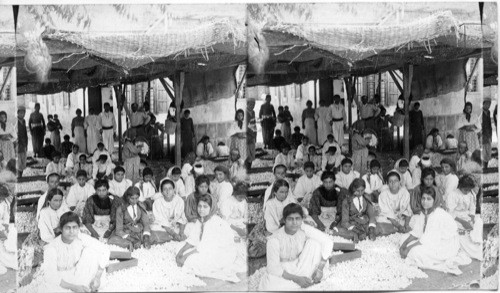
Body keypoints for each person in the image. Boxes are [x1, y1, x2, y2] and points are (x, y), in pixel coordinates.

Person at [258, 203, 334, 290]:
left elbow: (328, 241)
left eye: (297, 219)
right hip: (285, 271)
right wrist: (297, 279)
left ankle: (310, 277)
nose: (294, 222)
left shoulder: (303, 228)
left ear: (302, 219)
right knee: (269, 286)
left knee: (314, 243)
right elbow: (273, 268)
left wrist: (320, 269)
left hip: (301, 264)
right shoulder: (274, 239)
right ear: (284, 220)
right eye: (290, 219)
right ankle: (306, 281)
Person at [176, 194, 242, 282]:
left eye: (205, 207)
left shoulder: (214, 221)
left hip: (222, 252)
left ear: (211, 208)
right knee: (178, 248)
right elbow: (192, 239)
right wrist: (180, 253)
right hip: (205, 248)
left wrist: (185, 256)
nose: (201, 209)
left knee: (191, 261)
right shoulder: (201, 220)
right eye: (199, 206)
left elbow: (205, 247)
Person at [38, 212, 110, 292]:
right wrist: (74, 287)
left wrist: (97, 276)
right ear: (61, 229)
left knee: (90, 252)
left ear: (78, 228)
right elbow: (50, 275)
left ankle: (89, 286)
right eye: (67, 228)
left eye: (74, 227)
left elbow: (104, 250)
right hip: (62, 280)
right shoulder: (52, 248)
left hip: (78, 273)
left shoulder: (80, 238)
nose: (71, 231)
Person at [400, 186, 463, 275]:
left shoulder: (437, 214)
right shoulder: (424, 211)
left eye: (429, 199)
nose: (425, 202)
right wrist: (404, 245)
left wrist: (408, 249)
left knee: (415, 252)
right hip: (430, 238)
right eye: (423, 198)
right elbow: (416, 232)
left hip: (445, 243)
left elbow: (427, 239)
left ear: (434, 200)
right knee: (403, 238)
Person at [446, 175, 482, 260]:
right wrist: (463, 222)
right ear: (460, 186)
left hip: (466, 215)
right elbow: (450, 212)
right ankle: (468, 242)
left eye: (469, 189)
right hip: (455, 217)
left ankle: (475, 240)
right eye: (465, 189)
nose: (467, 191)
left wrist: (472, 218)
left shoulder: (470, 194)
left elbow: (472, 208)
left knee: (479, 221)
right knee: (463, 233)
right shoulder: (453, 194)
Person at [108, 186, 152, 250]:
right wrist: (132, 239)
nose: (134, 201)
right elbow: (119, 230)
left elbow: (146, 223)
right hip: (126, 231)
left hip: (138, 230)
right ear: (127, 197)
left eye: (137, 198)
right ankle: (130, 243)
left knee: (154, 235)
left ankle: (139, 241)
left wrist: (146, 238)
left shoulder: (141, 206)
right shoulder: (121, 209)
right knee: (112, 240)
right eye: (132, 198)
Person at [376, 171, 412, 235]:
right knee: (380, 219)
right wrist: (398, 225)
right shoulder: (383, 194)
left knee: (414, 220)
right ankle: (396, 228)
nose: (393, 183)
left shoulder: (405, 193)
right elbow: (386, 212)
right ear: (387, 183)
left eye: (396, 181)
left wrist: (406, 225)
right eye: (390, 181)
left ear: (399, 182)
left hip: (401, 217)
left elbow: (408, 209)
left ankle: (395, 229)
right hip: (389, 219)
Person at [0, 184, 16, 275]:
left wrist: (5, 228)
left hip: (1, 227)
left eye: (3, 198)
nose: (2, 199)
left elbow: (6, 216)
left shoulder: (4, 203)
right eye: (1, 198)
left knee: (13, 233)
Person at [17, 106, 28, 178]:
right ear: (18, 113)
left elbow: (25, 133)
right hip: (18, 143)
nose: (22, 114)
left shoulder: (24, 121)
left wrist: (26, 143)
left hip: (24, 142)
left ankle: (21, 173)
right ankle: (18, 175)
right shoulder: (16, 122)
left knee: (23, 158)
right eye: (21, 113)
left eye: (23, 113)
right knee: (18, 159)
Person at [246, 98, 258, 169]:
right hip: (247, 135)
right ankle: (247, 168)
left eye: (253, 104)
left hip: (252, 135)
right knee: (247, 153)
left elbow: (254, 124)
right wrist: (250, 133)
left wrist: (255, 134)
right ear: (247, 104)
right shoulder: (245, 113)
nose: (252, 106)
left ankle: (249, 167)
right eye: (250, 104)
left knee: (252, 151)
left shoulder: (253, 112)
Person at [481, 97, 493, 162]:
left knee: (488, 150)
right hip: (483, 134)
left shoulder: (488, 112)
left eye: (489, 105)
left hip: (488, 133)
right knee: (484, 150)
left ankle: (487, 164)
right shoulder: (481, 112)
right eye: (487, 104)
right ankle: (484, 165)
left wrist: (490, 135)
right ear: (484, 104)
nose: (488, 106)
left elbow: (489, 124)